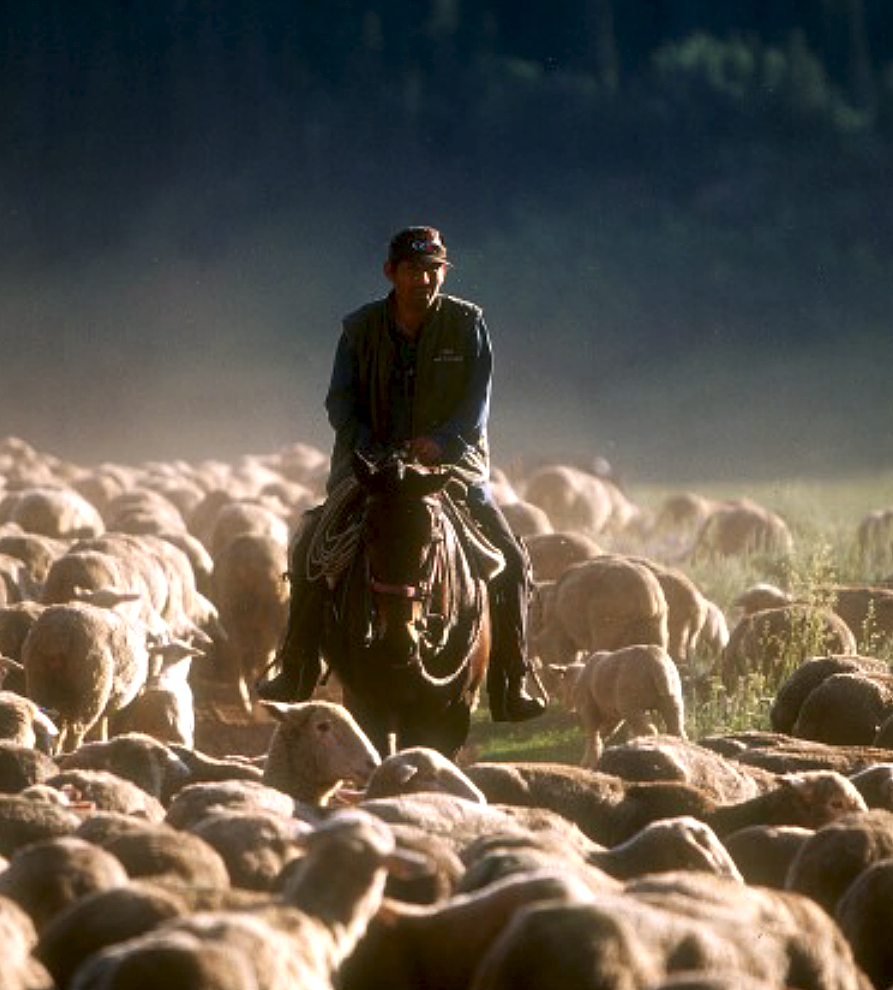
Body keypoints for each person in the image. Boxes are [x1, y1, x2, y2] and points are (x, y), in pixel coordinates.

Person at [257, 226, 546, 722]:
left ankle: (511, 677)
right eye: (414, 270)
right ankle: (297, 665)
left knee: (512, 559)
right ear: (391, 272)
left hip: (452, 467)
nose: (424, 279)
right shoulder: (359, 328)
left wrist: (442, 442)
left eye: (434, 269)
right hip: (371, 469)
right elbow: (340, 403)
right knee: (310, 542)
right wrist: (372, 448)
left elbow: (475, 406)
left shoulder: (468, 324)